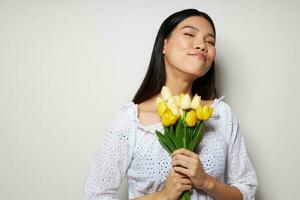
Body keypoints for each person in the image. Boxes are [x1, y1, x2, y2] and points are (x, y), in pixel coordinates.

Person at [84, 8, 258, 200]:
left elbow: (246, 190)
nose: (202, 45)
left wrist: (206, 181)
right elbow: (94, 196)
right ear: (164, 45)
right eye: (189, 34)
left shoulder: (220, 115)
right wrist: (164, 196)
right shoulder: (132, 121)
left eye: (210, 41)